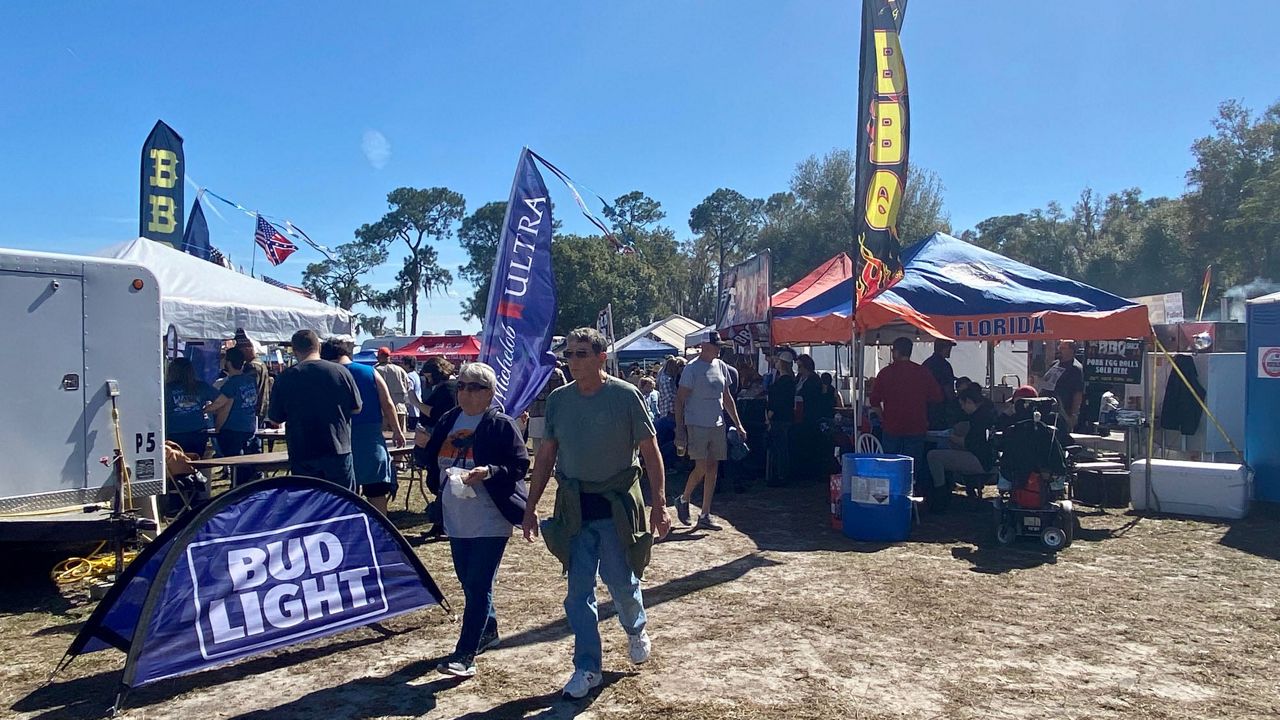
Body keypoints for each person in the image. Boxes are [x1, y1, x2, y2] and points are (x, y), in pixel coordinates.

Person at [521, 327, 671, 700]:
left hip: (616, 504)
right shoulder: (558, 400)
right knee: (577, 593)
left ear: (601, 357)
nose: (573, 360)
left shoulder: (626, 396)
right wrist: (530, 507)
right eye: (569, 354)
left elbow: (650, 452)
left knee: (620, 581)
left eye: (582, 353)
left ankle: (635, 628)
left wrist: (660, 504)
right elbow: (545, 456)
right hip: (575, 507)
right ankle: (587, 667)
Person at [419, 362, 529, 679]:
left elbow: (519, 466)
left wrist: (489, 472)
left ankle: (465, 655)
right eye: (462, 386)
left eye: (474, 387)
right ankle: (488, 629)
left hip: (490, 516)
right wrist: (422, 449)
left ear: (490, 393)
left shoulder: (500, 424)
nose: (466, 392)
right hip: (455, 516)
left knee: (479, 585)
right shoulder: (449, 419)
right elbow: (432, 461)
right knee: (469, 582)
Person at [267, 329, 362, 489]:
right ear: (319, 346)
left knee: (310, 504)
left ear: (295, 350)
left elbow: (275, 418)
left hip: (303, 452)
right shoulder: (340, 372)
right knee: (343, 504)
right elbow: (356, 408)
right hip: (337, 449)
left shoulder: (285, 378)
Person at [320, 339, 406, 514]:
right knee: (376, 491)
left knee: (343, 494)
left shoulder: (326, 374)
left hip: (338, 438)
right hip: (370, 440)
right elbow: (388, 403)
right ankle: (382, 531)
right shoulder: (370, 371)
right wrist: (397, 430)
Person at [673, 330, 746, 530]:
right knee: (702, 467)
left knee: (713, 468)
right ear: (705, 346)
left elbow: (727, 397)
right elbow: (680, 399)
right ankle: (684, 498)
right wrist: (679, 429)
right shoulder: (691, 369)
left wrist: (738, 423)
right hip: (697, 423)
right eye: (716, 346)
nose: (718, 350)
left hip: (717, 423)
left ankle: (705, 513)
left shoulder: (720, 366)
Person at [868, 337, 943, 495]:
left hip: (892, 427)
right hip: (916, 426)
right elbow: (937, 396)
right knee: (911, 469)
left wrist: (882, 418)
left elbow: (874, 401)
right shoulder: (922, 372)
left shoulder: (885, 373)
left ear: (895, 351)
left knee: (890, 466)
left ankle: (891, 498)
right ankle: (908, 498)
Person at [925, 384, 997, 510]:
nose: (962, 408)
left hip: (980, 460)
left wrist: (951, 437)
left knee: (933, 456)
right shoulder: (988, 412)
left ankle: (940, 494)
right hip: (988, 456)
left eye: (963, 404)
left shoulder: (978, 418)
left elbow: (969, 444)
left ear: (969, 402)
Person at [205, 347, 261, 487]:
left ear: (228, 363)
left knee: (237, 468)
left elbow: (221, 405)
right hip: (249, 428)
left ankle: (236, 491)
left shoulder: (231, 384)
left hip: (233, 430)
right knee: (247, 467)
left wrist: (205, 410)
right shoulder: (250, 380)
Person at [164, 357, 217, 457]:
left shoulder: (167, 389)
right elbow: (223, 400)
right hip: (198, 431)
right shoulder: (200, 386)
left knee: (177, 464)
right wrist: (206, 410)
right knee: (196, 462)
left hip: (175, 432)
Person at [790, 354, 825, 483]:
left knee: (808, 444)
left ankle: (809, 473)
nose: (798, 369)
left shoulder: (814, 380)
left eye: (800, 366)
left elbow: (813, 398)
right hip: (798, 416)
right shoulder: (798, 378)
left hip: (810, 416)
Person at [765, 348, 797, 486]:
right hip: (785, 417)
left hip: (779, 418)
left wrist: (769, 416)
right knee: (782, 448)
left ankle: (781, 475)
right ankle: (781, 474)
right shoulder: (789, 381)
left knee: (780, 448)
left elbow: (777, 402)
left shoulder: (783, 382)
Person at [1037, 340, 1085, 430]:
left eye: (1063, 348)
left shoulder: (1075, 368)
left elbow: (1078, 393)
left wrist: (1074, 415)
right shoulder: (1055, 364)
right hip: (1046, 406)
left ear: (1071, 350)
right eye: (1059, 347)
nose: (1059, 350)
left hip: (1062, 410)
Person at [527, 364, 567, 456]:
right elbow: (565, 392)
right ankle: (553, 468)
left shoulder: (533, 373)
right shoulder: (557, 373)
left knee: (537, 447)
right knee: (554, 445)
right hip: (554, 414)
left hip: (535, 413)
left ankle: (541, 467)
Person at [374, 346, 412, 431]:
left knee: (385, 440)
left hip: (383, 411)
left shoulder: (375, 370)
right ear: (389, 357)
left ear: (379, 357)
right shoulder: (400, 370)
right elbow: (409, 388)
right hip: (400, 409)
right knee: (401, 440)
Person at [922, 340, 957, 429]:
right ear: (944, 348)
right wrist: (955, 404)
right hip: (941, 409)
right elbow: (948, 389)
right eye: (949, 348)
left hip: (926, 408)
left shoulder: (926, 363)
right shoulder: (944, 365)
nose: (950, 350)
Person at [401, 356, 423, 433]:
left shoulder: (409, 376)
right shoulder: (415, 374)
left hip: (412, 409)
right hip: (417, 407)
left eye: (402, 363)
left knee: (412, 432)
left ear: (407, 365)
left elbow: (409, 390)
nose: (401, 366)